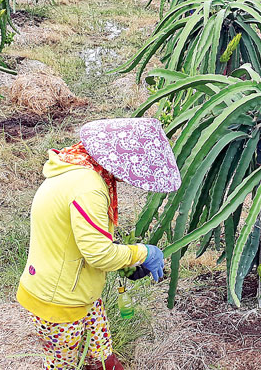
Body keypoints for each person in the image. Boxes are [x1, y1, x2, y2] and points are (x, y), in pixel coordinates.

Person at [17, 118, 181, 370]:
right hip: (60, 301)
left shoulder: (75, 166)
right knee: (64, 366)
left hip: (80, 291)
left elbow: (81, 241)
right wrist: (143, 252)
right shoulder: (88, 188)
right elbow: (98, 254)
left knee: (100, 356)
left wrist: (126, 261)